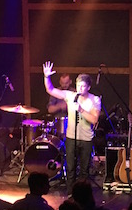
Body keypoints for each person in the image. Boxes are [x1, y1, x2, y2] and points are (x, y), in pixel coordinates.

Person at [43, 61, 101, 194]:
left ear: (88, 87)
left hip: (86, 138)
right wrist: (47, 77)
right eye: (78, 85)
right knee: (70, 167)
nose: (80, 89)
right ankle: (70, 193)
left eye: (83, 86)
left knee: (84, 169)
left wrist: (80, 109)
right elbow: (50, 90)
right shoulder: (70, 96)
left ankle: (83, 195)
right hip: (71, 137)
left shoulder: (94, 100)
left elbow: (94, 119)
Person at [47, 73, 74, 139]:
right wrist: (60, 106)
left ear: (70, 81)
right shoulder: (56, 92)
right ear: (59, 82)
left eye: (66, 83)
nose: (64, 85)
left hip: (71, 122)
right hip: (57, 123)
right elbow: (50, 109)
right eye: (62, 83)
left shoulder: (74, 92)